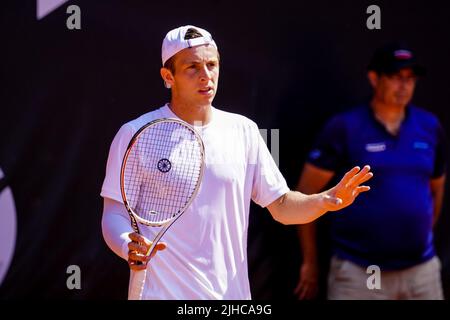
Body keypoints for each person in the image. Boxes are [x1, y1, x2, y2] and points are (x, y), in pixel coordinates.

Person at [100, 25, 373, 300]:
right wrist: (127, 244)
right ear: (168, 76)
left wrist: (324, 200)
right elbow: (114, 214)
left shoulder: (244, 130)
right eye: (192, 67)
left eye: (211, 65)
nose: (206, 76)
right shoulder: (134, 134)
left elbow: (281, 206)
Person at [294, 42, 446, 300]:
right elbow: (306, 195)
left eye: (410, 79)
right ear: (374, 78)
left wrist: (416, 234)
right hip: (357, 274)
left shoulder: (429, 126)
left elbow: (436, 189)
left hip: (422, 273)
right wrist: (310, 262)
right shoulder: (344, 128)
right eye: (396, 77)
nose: (404, 86)